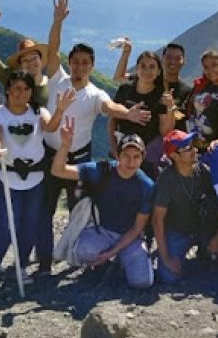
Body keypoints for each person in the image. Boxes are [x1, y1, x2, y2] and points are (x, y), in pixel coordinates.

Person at [35, 0, 151, 275]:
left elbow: (111, 106)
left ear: (92, 65)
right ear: (70, 63)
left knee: (83, 211)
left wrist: (128, 114)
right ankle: (44, 262)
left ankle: (80, 255)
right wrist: (58, 22)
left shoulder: (95, 94)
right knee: (44, 211)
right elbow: (52, 48)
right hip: (50, 155)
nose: (79, 66)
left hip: (80, 160)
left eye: (85, 63)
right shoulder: (57, 79)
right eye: (75, 62)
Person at [0, 71, 74, 291]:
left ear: (31, 92)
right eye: (16, 88)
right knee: (5, 228)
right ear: (7, 90)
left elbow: (50, 126)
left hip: (35, 178)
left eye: (25, 89)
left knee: (29, 227)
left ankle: (21, 266)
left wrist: (61, 110)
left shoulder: (37, 112)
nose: (20, 93)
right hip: (6, 177)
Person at [51, 118, 155, 289]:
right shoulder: (102, 170)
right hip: (103, 231)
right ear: (117, 155)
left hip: (130, 236)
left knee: (142, 282)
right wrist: (65, 145)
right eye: (126, 156)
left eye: (136, 156)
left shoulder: (146, 186)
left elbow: (138, 227)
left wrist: (111, 253)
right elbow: (58, 170)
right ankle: (105, 264)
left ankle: (118, 260)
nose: (131, 161)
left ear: (142, 158)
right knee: (83, 251)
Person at [153, 130, 218, 284]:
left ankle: (211, 251)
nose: (194, 150)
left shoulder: (204, 171)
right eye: (187, 149)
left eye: (193, 146)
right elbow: (157, 219)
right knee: (168, 276)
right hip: (179, 231)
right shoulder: (166, 180)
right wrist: (166, 259)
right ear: (174, 156)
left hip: (206, 227)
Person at [108, 51, 176, 177]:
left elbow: (165, 131)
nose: (147, 70)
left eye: (152, 67)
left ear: (159, 71)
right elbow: (112, 120)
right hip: (121, 153)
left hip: (149, 159)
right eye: (143, 66)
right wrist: (114, 149)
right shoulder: (125, 90)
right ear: (137, 68)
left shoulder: (161, 96)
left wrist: (170, 108)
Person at [0, 0, 50, 106]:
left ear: (41, 59)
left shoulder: (51, 83)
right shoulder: (12, 79)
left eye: (34, 58)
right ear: (20, 65)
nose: (30, 63)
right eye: (25, 60)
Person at [114, 42, 191, 131]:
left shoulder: (188, 91)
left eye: (178, 58)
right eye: (169, 57)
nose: (173, 62)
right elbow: (119, 77)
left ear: (184, 61)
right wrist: (126, 53)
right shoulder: (148, 78)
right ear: (162, 59)